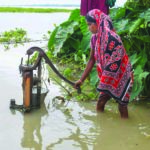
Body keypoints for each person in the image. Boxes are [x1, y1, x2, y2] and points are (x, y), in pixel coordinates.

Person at [74, 9, 133, 119]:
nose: (88, 28)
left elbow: (118, 59)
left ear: (98, 22)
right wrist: (81, 80)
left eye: (90, 24)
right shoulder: (94, 39)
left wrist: (106, 81)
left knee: (122, 105)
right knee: (100, 103)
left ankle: (125, 128)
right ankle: (101, 127)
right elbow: (91, 59)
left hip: (123, 75)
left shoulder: (113, 38)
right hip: (107, 77)